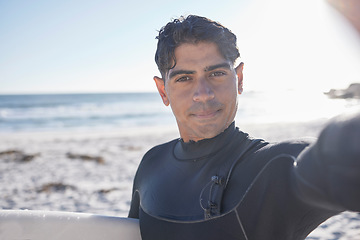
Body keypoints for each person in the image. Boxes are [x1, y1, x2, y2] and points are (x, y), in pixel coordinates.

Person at [128, 15, 360, 240]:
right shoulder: (151, 164)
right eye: (184, 79)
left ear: (239, 79)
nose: (203, 94)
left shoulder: (275, 167)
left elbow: (338, 160)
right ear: (163, 91)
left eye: (216, 73)